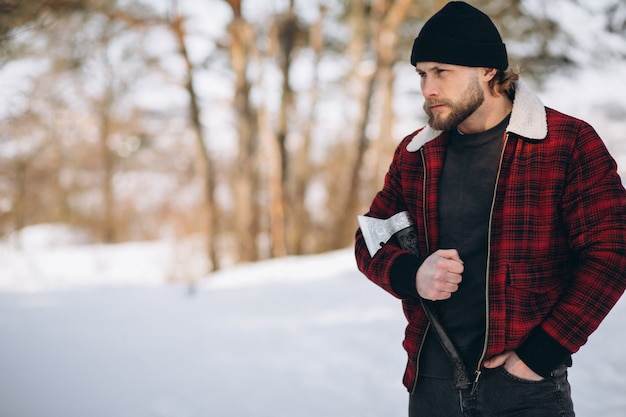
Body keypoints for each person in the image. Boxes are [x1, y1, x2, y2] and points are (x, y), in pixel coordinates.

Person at [354, 2, 626, 416]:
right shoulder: (416, 154)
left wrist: (542, 353)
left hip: (525, 390)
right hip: (431, 384)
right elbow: (369, 240)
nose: (428, 88)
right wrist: (413, 275)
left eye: (441, 71)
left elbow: (613, 252)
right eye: (422, 73)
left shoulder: (566, 142)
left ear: (487, 70)